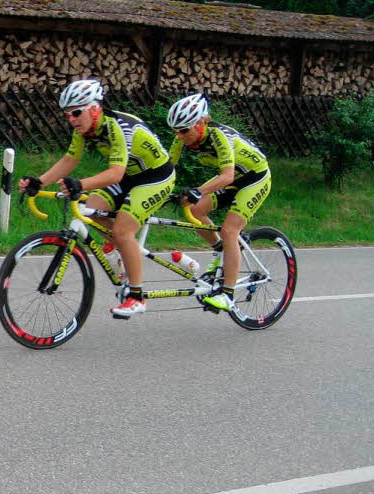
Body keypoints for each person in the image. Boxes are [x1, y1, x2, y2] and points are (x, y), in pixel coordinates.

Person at [19, 79, 175, 318]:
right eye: (67, 114)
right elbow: (70, 159)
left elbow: (115, 173)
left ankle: (136, 297)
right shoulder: (85, 129)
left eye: (76, 113)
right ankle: (123, 251)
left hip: (155, 177)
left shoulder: (118, 127)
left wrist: (80, 184)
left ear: (94, 108)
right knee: (90, 208)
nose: (71, 119)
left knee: (123, 230)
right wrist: (40, 181)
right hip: (129, 176)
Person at [166, 93, 271, 312]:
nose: (180, 135)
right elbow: (167, 167)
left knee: (230, 230)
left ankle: (227, 295)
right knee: (195, 210)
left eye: (184, 130)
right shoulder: (181, 137)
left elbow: (226, 176)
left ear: (201, 122)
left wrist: (197, 190)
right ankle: (223, 249)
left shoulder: (218, 136)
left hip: (254, 178)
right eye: (176, 131)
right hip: (234, 178)